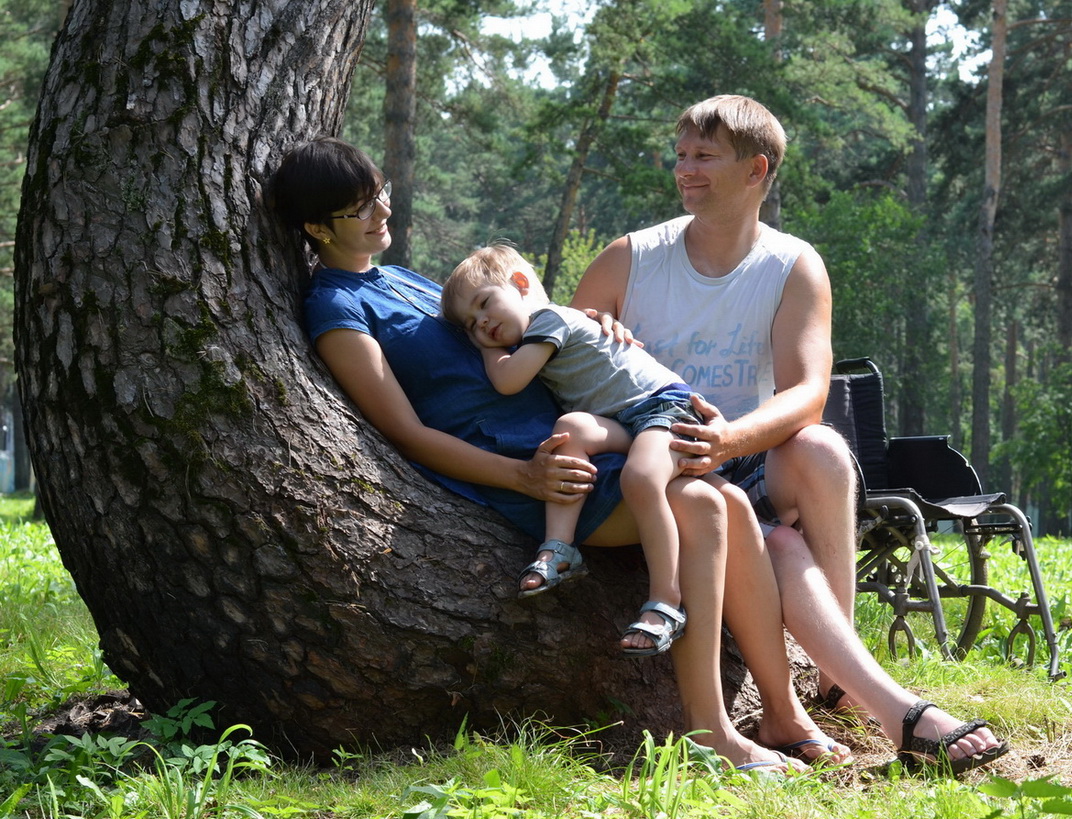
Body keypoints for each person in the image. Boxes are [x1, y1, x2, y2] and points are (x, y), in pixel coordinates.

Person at [270, 136, 852, 774]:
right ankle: (710, 729)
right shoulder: (337, 309)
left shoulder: (404, 279)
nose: (382, 211)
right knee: (710, 509)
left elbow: (523, 330)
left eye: (379, 192)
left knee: (730, 502)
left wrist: (600, 334)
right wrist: (523, 474)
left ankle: (780, 712)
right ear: (315, 227)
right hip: (525, 468)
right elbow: (405, 433)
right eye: (360, 208)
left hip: (576, 439)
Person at [571, 94, 1010, 773]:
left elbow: (807, 392)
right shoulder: (629, 259)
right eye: (682, 155)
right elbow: (560, 366)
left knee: (823, 450)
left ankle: (836, 680)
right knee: (773, 537)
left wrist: (730, 441)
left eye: (705, 157)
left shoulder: (792, 263)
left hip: (738, 452)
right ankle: (890, 711)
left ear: (756, 170)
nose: (685, 170)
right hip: (652, 461)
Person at [442, 243, 712, 656]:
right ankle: (560, 548)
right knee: (569, 432)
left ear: (519, 284)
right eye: (472, 324)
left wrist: (486, 349)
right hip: (628, 419)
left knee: (639, 477)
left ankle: (666, 603)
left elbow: (508, 381)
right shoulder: (539, 333)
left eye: (485, 304)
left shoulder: (549, 320)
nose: (483, 323)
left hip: (666, 408)